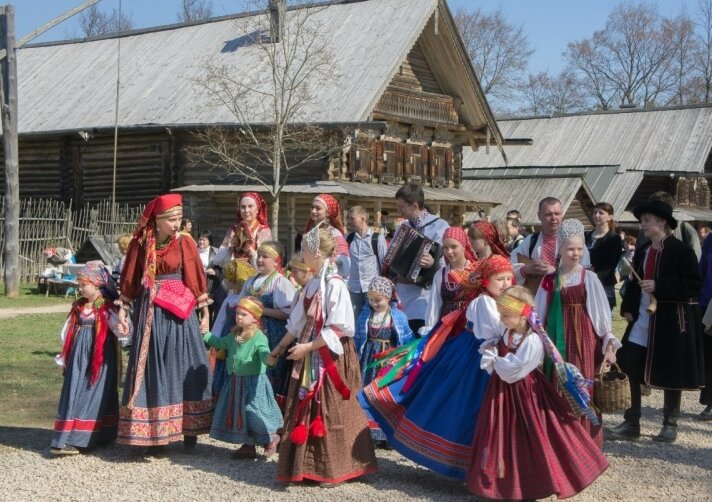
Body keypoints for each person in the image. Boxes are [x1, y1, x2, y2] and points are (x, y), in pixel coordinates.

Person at [359, 255, 514, 479]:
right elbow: (498, 332)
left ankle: (484, 467)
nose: (506, 283)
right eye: (500, 279)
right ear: (485, 281)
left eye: (509, 278)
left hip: (486, 357)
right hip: (475, 360)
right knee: (463, 408)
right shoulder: (484, 302)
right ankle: (472, 466)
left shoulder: (500, 301)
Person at [467, 285, 608, 500]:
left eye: (506, 315)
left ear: (522, 316)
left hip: (524, 394)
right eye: (501, 315)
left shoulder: (532, 341)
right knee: (499, 431)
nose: (502, 320)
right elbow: (501, 350)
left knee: (529, 434)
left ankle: (531, 483)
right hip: (501, 393)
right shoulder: (508, 332)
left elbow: (515, 370)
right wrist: (493, 349)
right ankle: (498, 484)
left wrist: (494, 360)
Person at [269, 224, 377, 485]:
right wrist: (279, 348)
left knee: (330, 408)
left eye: (304, 249)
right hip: (309, 347)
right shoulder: (313, 283)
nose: (301, 253)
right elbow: (297, 322)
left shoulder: (335, 284)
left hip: (330, 353)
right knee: (306, 402)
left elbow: (339, 327)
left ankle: (336, 467)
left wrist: (307, 347)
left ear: (316, 253)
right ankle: (306, 466)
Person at [116, 193, 213, 452]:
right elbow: (130, 278)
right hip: (151, 314)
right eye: (172, 219)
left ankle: (189, 428)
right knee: (153, 367)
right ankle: (155, 432)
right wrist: (124, 309)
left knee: (183, 363)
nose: (177, 224)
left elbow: (195, 276)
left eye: (179, 219)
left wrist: (204, 312)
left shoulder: (185, 243)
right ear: (157, 221)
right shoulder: (140, 244)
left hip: (179, 314)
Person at [609, 200, 704, 443]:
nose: (642, 225)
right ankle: (632, 422)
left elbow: (694, 286)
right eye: (642, 220)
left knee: (671, 370)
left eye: (647, 220)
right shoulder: (642, 251)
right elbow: (633, 283)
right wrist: (629, 307)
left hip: (670, 322)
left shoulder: (681, 251)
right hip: (642, 319)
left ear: (662, 222)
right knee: (628, 362)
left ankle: (670, 424)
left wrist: (660, 286)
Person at [535, 219, 620, 446]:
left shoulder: (588, 278)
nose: (576, 254)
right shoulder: (549, 280)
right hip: (556, 338)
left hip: (584, 340)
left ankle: (585, 443)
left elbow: (601, 316)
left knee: (582, 386)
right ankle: (560, 442)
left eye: (580, 249)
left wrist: (609, 343)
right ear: (560, 249)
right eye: (571, 248)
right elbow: (539, 314)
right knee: (558, 384)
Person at [51, 263, 125, 455]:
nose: (81, 288)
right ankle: (70, 436)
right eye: (79, 285)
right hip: (78, 357)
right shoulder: (78, 307)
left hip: (99, 359)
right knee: (74, 391)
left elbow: (121, 329)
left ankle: (82, 438)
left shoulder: (106, 308)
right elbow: (67, 331)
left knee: (93, 393)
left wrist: (122, 330)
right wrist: (64, 357)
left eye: (84, 284)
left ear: (97, 284)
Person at [203, 296, 283, 459]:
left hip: (253, 383)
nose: (239, 317)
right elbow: (221, 343)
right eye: (238, 313)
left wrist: (269, 359)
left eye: (244, 314)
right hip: (236, 382)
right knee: (241, 413)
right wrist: (206, 335)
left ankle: (270, 438)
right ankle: (248, 445)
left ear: (255, 318)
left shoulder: (259, 337)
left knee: (254, 412)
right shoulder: (235, 335)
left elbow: (263, 353)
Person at [354, 277, 413, 442]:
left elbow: (407, 339)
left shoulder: (398, 316)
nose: (374, 303)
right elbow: (358, 339)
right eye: (371, 300)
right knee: (368, 391)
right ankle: (368, 431)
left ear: (388, 297)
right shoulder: (365, 315)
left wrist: (406, 359)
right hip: (369, 359)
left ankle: (387, 433)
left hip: (388, 361)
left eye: (378, 300)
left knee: (385, 394)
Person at [237, 241, 295, 407]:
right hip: (249, 333)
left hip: (271, 335)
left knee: (268, 371)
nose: (260, 260)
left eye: (265, 257)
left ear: (276, 261)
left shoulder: (280, 283)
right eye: (259, 256)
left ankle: (268, 409)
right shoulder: (250, 281)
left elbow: (288, 312)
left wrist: (260, 312)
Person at [388, 182, 449, 333]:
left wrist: (433, 263)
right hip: (402, 294)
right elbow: (392, 255)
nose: (398, 210)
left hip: (425, 296)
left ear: (414, 206)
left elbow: (448, 260)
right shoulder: (404, 227)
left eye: (401, 207)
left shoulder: (440, 226)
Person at [511, 197, 590, 294]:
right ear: (539, 216)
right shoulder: (531, 241)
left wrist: (555, 272)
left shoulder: (574, 241)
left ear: (562, 215)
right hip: (538, 298)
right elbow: (508, 266)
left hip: (565, 298)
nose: (553, 218)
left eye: (557, 213)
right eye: (548, 214)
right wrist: (526, 269)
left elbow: (585, 272)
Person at [209, 258, 258, 400]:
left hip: (240, 335)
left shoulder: (243, 299)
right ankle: (224, 398)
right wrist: (215, 339)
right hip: (227, 335)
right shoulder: (230, 298)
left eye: (229, 278)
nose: (226, 281)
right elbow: (220, 320)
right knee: (224, 365)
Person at [424, 226, 479, 329]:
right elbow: (434, 305)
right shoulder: (441, 274)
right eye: (445, 247)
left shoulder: (476, 272)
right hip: (446, 329)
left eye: (454, 247)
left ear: (463, 246)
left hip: (469, 328)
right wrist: (430, 328)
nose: (449, 251)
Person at [346, 206, 387, 323]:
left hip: (372, 288)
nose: (350, 222)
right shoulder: (349, 238)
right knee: (355, 320)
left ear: (362, 218)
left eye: (352, 219)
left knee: (372, 319)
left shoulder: (377, 239)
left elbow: (384, 263)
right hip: (354, 288)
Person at [636, 191, 701, 260]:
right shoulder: (643, 234)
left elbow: (695, 260)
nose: (642, 224)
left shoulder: (685, 230)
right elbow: (638, 261)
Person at [215, 192, 273, 268]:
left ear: (257, 210)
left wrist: (250, 251)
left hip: (255, 276)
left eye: (250, 206)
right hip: (234, 275)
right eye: (243, 207)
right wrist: (231, 251)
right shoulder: (233, 229)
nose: (246, 210)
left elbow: (267, 263)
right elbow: (218, 260)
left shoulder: (263, 231)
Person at [585, 202, 624, 310]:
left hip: (603, 284)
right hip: (585, 282)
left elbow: (611, 265)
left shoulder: (613, 239)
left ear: (609, 217)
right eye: (594, 212)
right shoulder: (586, 236)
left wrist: (594, 274)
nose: (596, 215)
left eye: (601, 213)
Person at [303, 193, 351, 279]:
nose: (313, 211)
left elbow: (345, 264)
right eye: (312, 207)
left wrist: (327, 272)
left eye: (318, 208)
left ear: (327, 212)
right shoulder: (310, 232)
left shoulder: (334, 234)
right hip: (311, 280)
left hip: (328, 280)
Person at [698, 232, 712, 420]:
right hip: (708, 304)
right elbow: (701, 271)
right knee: (709, 355)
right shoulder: (710, 240)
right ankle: (710, 401)